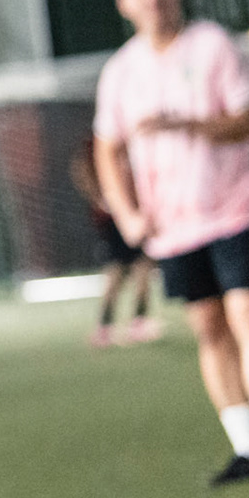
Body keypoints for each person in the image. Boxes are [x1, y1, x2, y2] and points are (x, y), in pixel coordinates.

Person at [93, 0, 249, 485]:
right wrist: (126, 212)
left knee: (248, 318)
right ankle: (247, 446)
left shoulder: (213, 44)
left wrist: (186, 125)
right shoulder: (120, 72)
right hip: (173, 225)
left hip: (237, 209)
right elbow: (107, 149)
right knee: (209, 328)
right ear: (122, 2)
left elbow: (248, 120)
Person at [70, 139, 160, 347]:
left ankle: (138, 321)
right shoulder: (97, 142)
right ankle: (105, 325)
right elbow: (81, 169)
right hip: (114, 217)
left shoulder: (133, 138)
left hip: (136, 214)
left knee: (142, 266)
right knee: (117, 269)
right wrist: (101, 198)